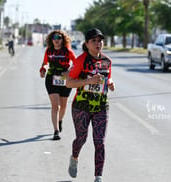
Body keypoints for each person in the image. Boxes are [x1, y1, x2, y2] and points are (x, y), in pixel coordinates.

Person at [66, 28, 115, 182]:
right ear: (86, 43)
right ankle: (74, 158)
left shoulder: (107, 61)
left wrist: (111, 84)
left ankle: (98, 176)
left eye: (100, 40)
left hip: (101, 106)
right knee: (81, 138)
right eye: (93, 40)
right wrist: (87, 81)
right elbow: (69, 83)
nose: (97, 43)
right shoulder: (81, 60)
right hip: (81, 106)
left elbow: (108, 79)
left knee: (100, 141)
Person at [39, 30, 76, 140]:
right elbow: (45, 63)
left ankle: (60, 120)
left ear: (62, 39)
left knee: (63, 105)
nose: (56, 40)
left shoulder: (67, 51)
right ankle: (56, 131)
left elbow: (77, 63)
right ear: (51, 39)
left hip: (64, 78)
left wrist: (69, 72)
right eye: (54, 38)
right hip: (51, 78)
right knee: (56, 105)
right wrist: (43, 69)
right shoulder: (49, 51)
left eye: (59, 37)